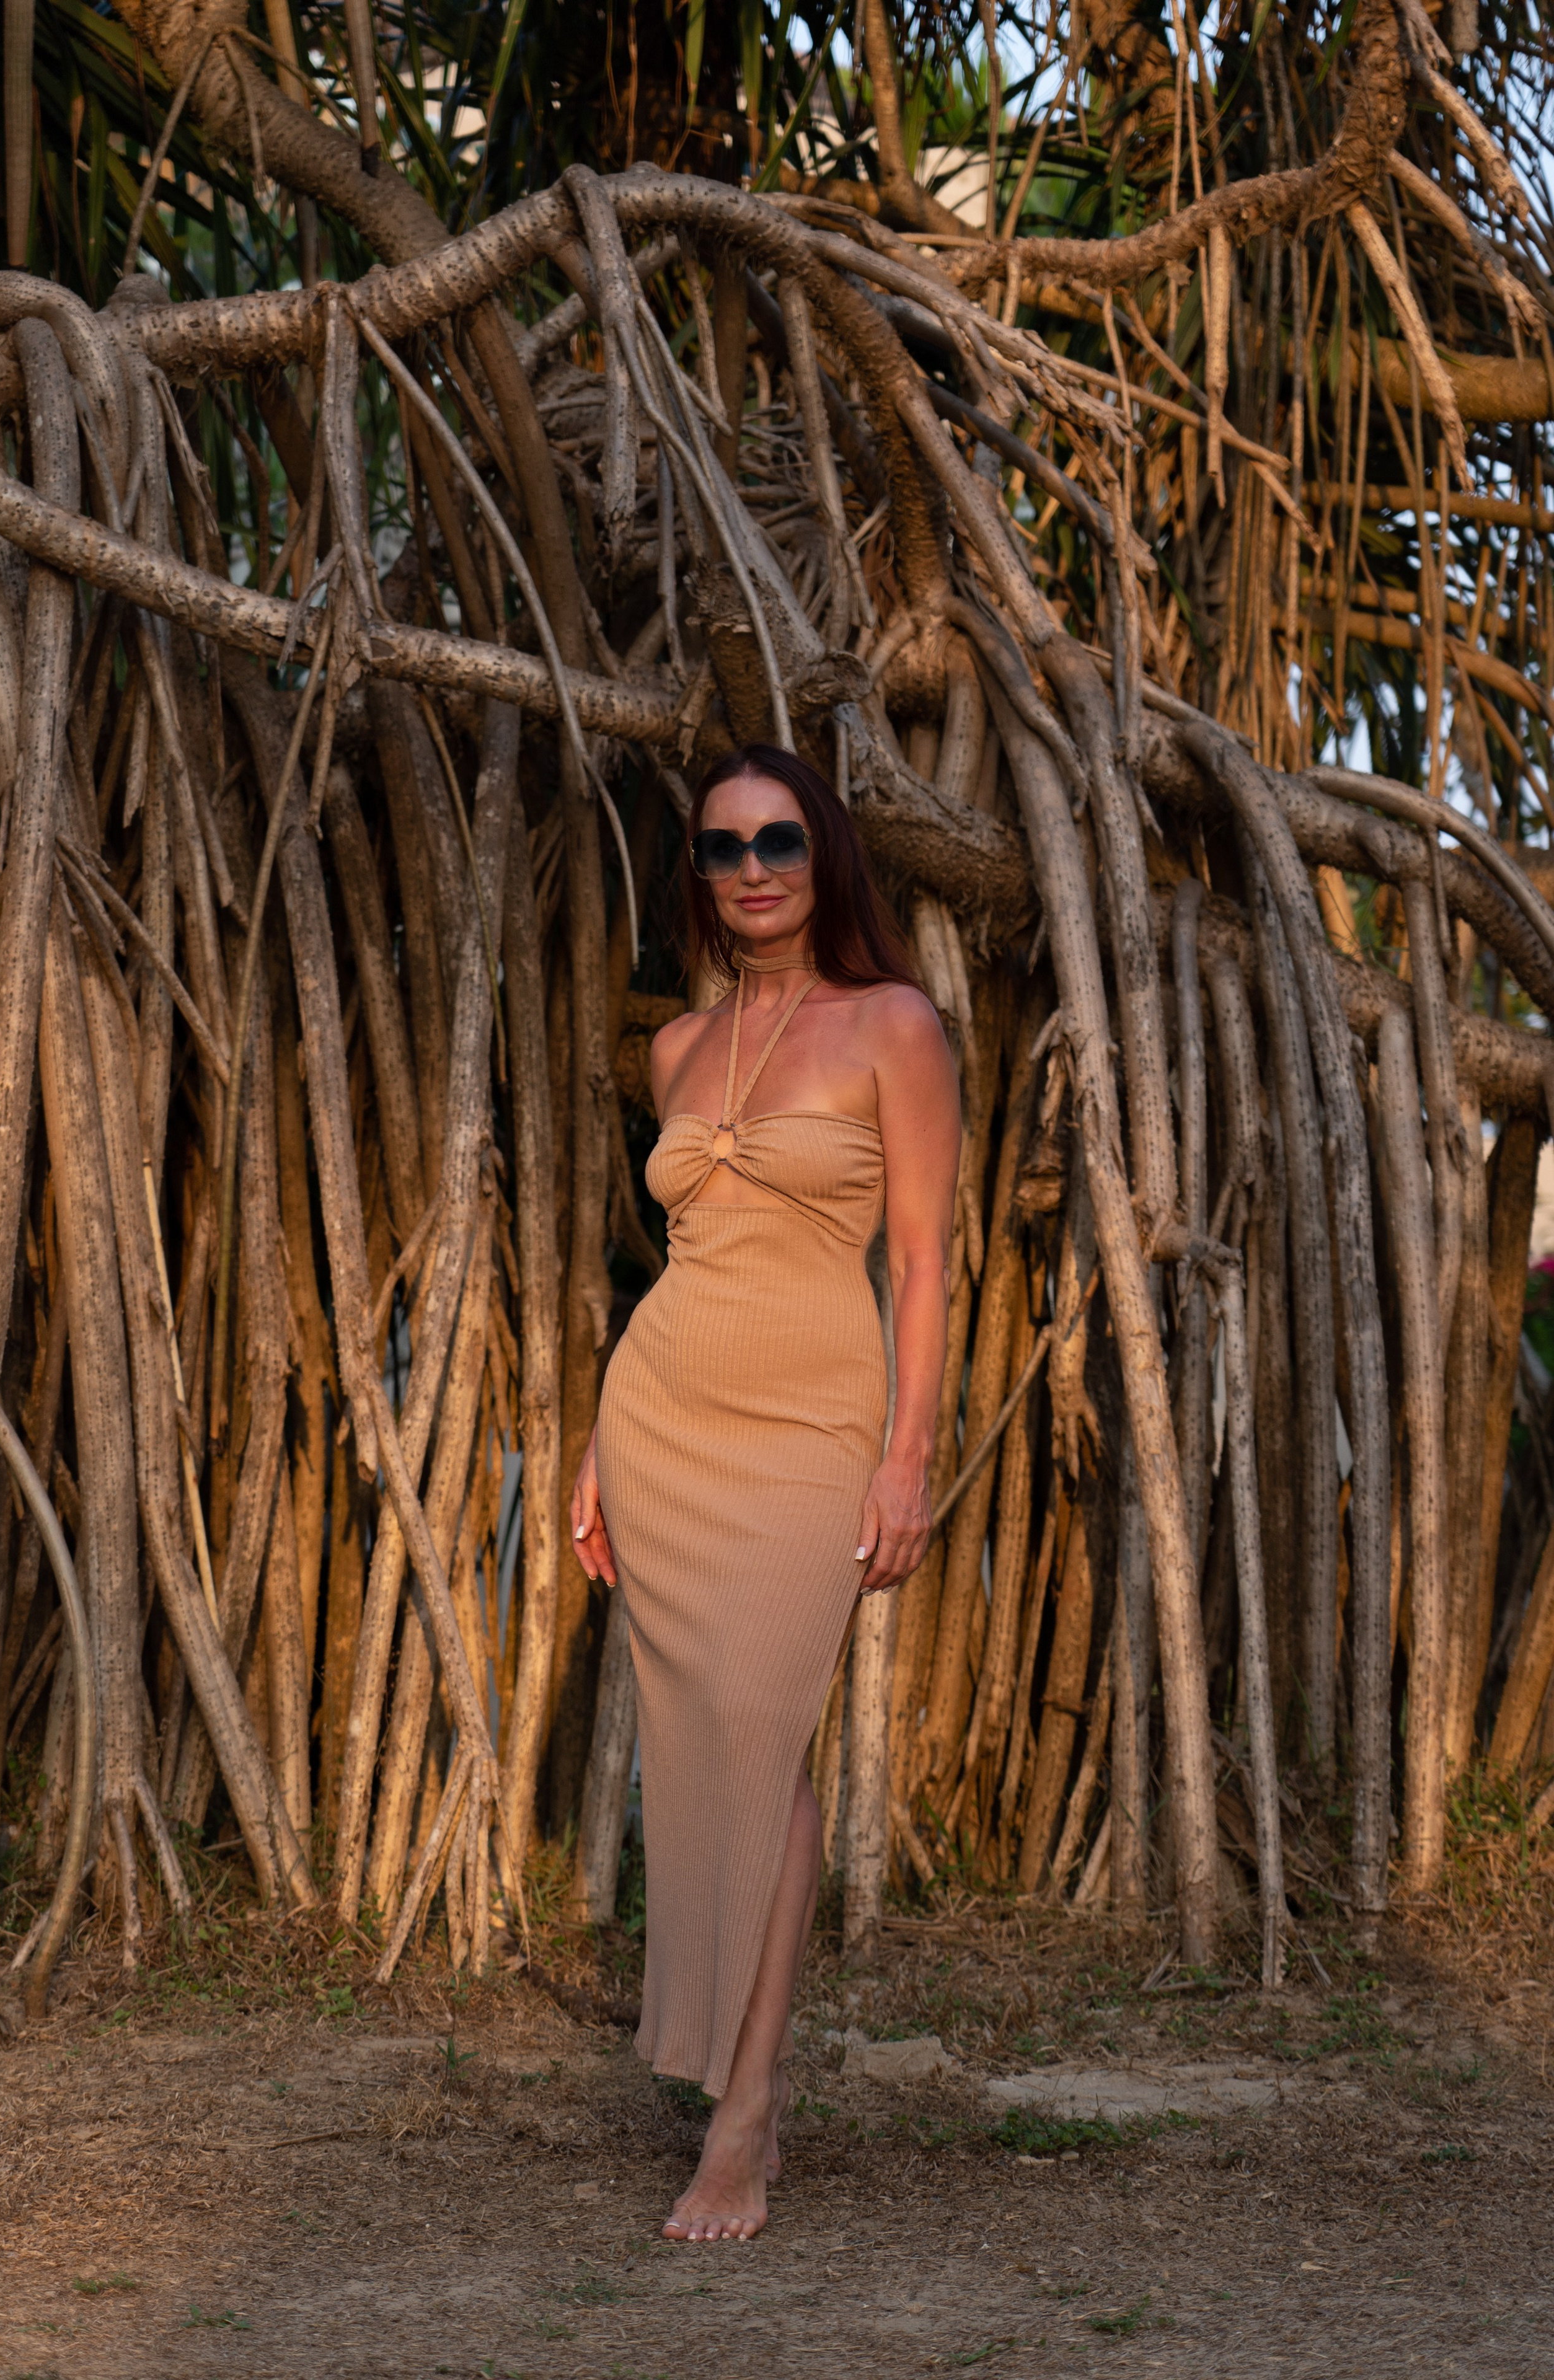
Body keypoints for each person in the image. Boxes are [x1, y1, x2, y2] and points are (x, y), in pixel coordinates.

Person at [570, 741, 961, 2242]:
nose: (751, 871)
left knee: (757, 1714)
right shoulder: (678, 1049)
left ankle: (741, 2114)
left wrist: (906, 1454)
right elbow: (678, 1262)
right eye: (722, 848)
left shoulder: (891, 1026)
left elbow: (919, 1263)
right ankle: (746, 2088)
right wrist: (598, 1446)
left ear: (824, 855)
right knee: (714, 1747)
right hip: (663, 1410)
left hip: (812, 1416)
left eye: (778, 841)